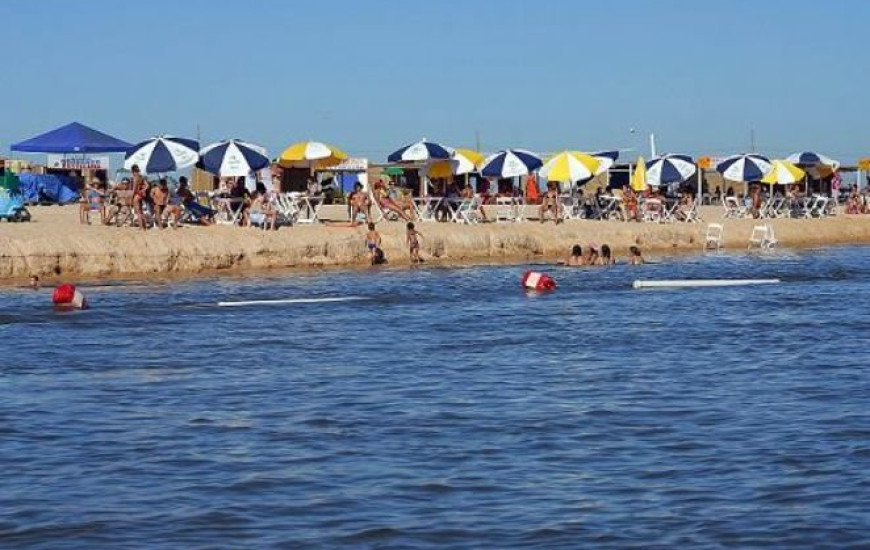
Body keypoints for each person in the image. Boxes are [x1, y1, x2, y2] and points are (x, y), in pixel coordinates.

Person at [130, 165, 149, 230]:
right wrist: (143, 190)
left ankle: (141, 227)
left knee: (138, 212)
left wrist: (131, 198)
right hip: (141, 195)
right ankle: (144, 226)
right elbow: (147, 185)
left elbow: (134, 190)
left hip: (137, 195)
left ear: (133, 171)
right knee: (141, 211)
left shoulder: (135, 178)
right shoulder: (141, 177)